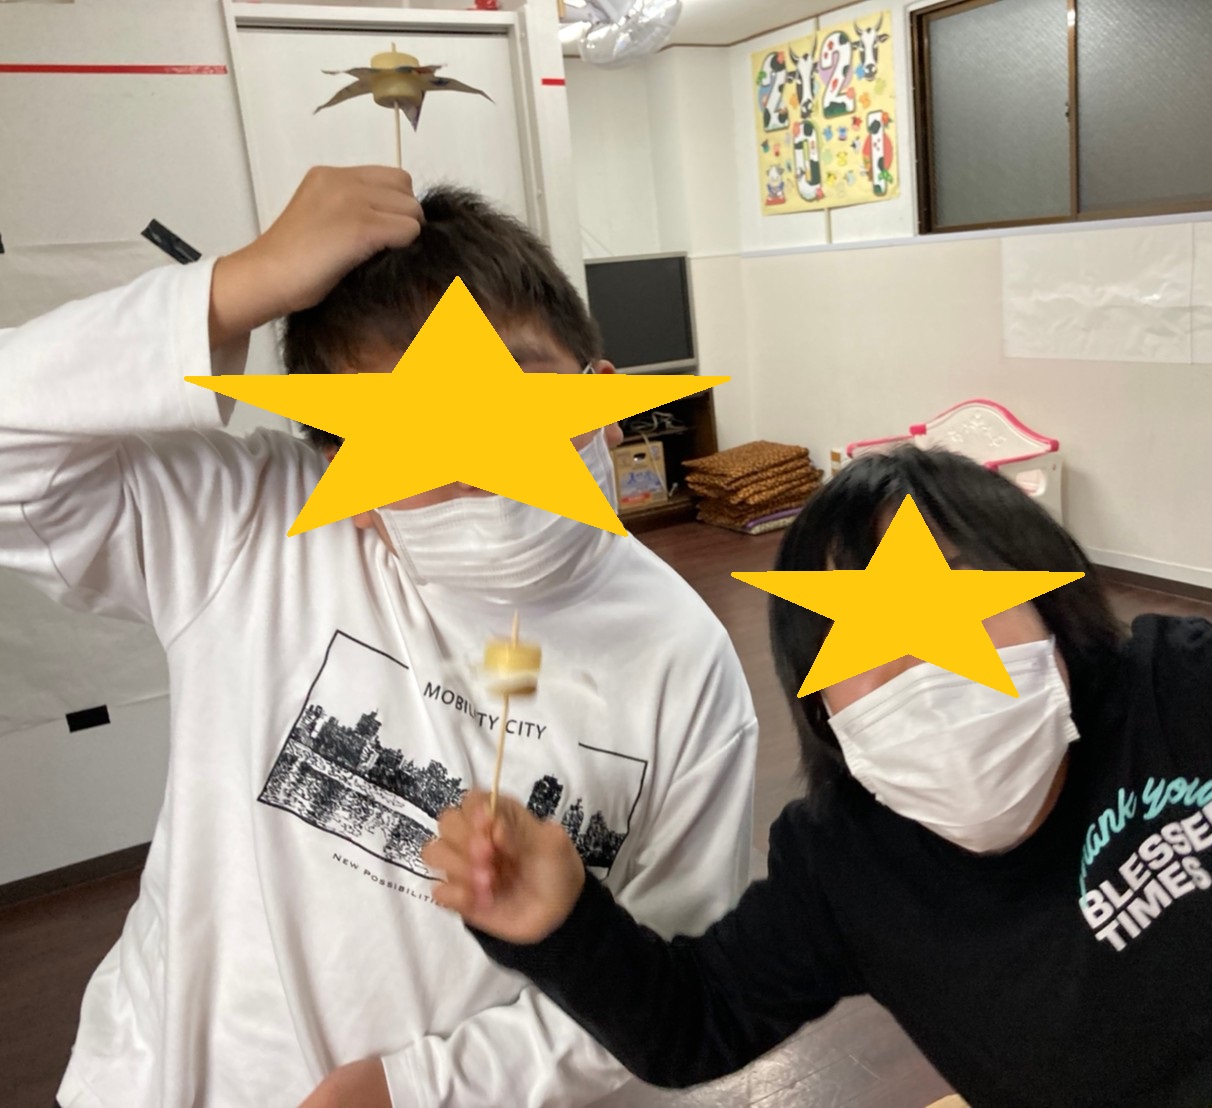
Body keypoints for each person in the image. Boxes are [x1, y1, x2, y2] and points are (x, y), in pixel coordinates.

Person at [1, 165, 757, 1107]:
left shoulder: (687, 661)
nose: (477, 459)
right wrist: (239, 286)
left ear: (602, 397)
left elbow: (675, 971)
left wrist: (420, 1089)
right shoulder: (250, 527)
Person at [428, 445, 1212, 1107]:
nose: (919, 667)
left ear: (1053, 608)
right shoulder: (845, 862)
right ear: (818, 701)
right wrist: (561, 925)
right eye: (862, 640)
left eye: (957, 601)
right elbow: (690, 1022)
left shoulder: (1209, 701)